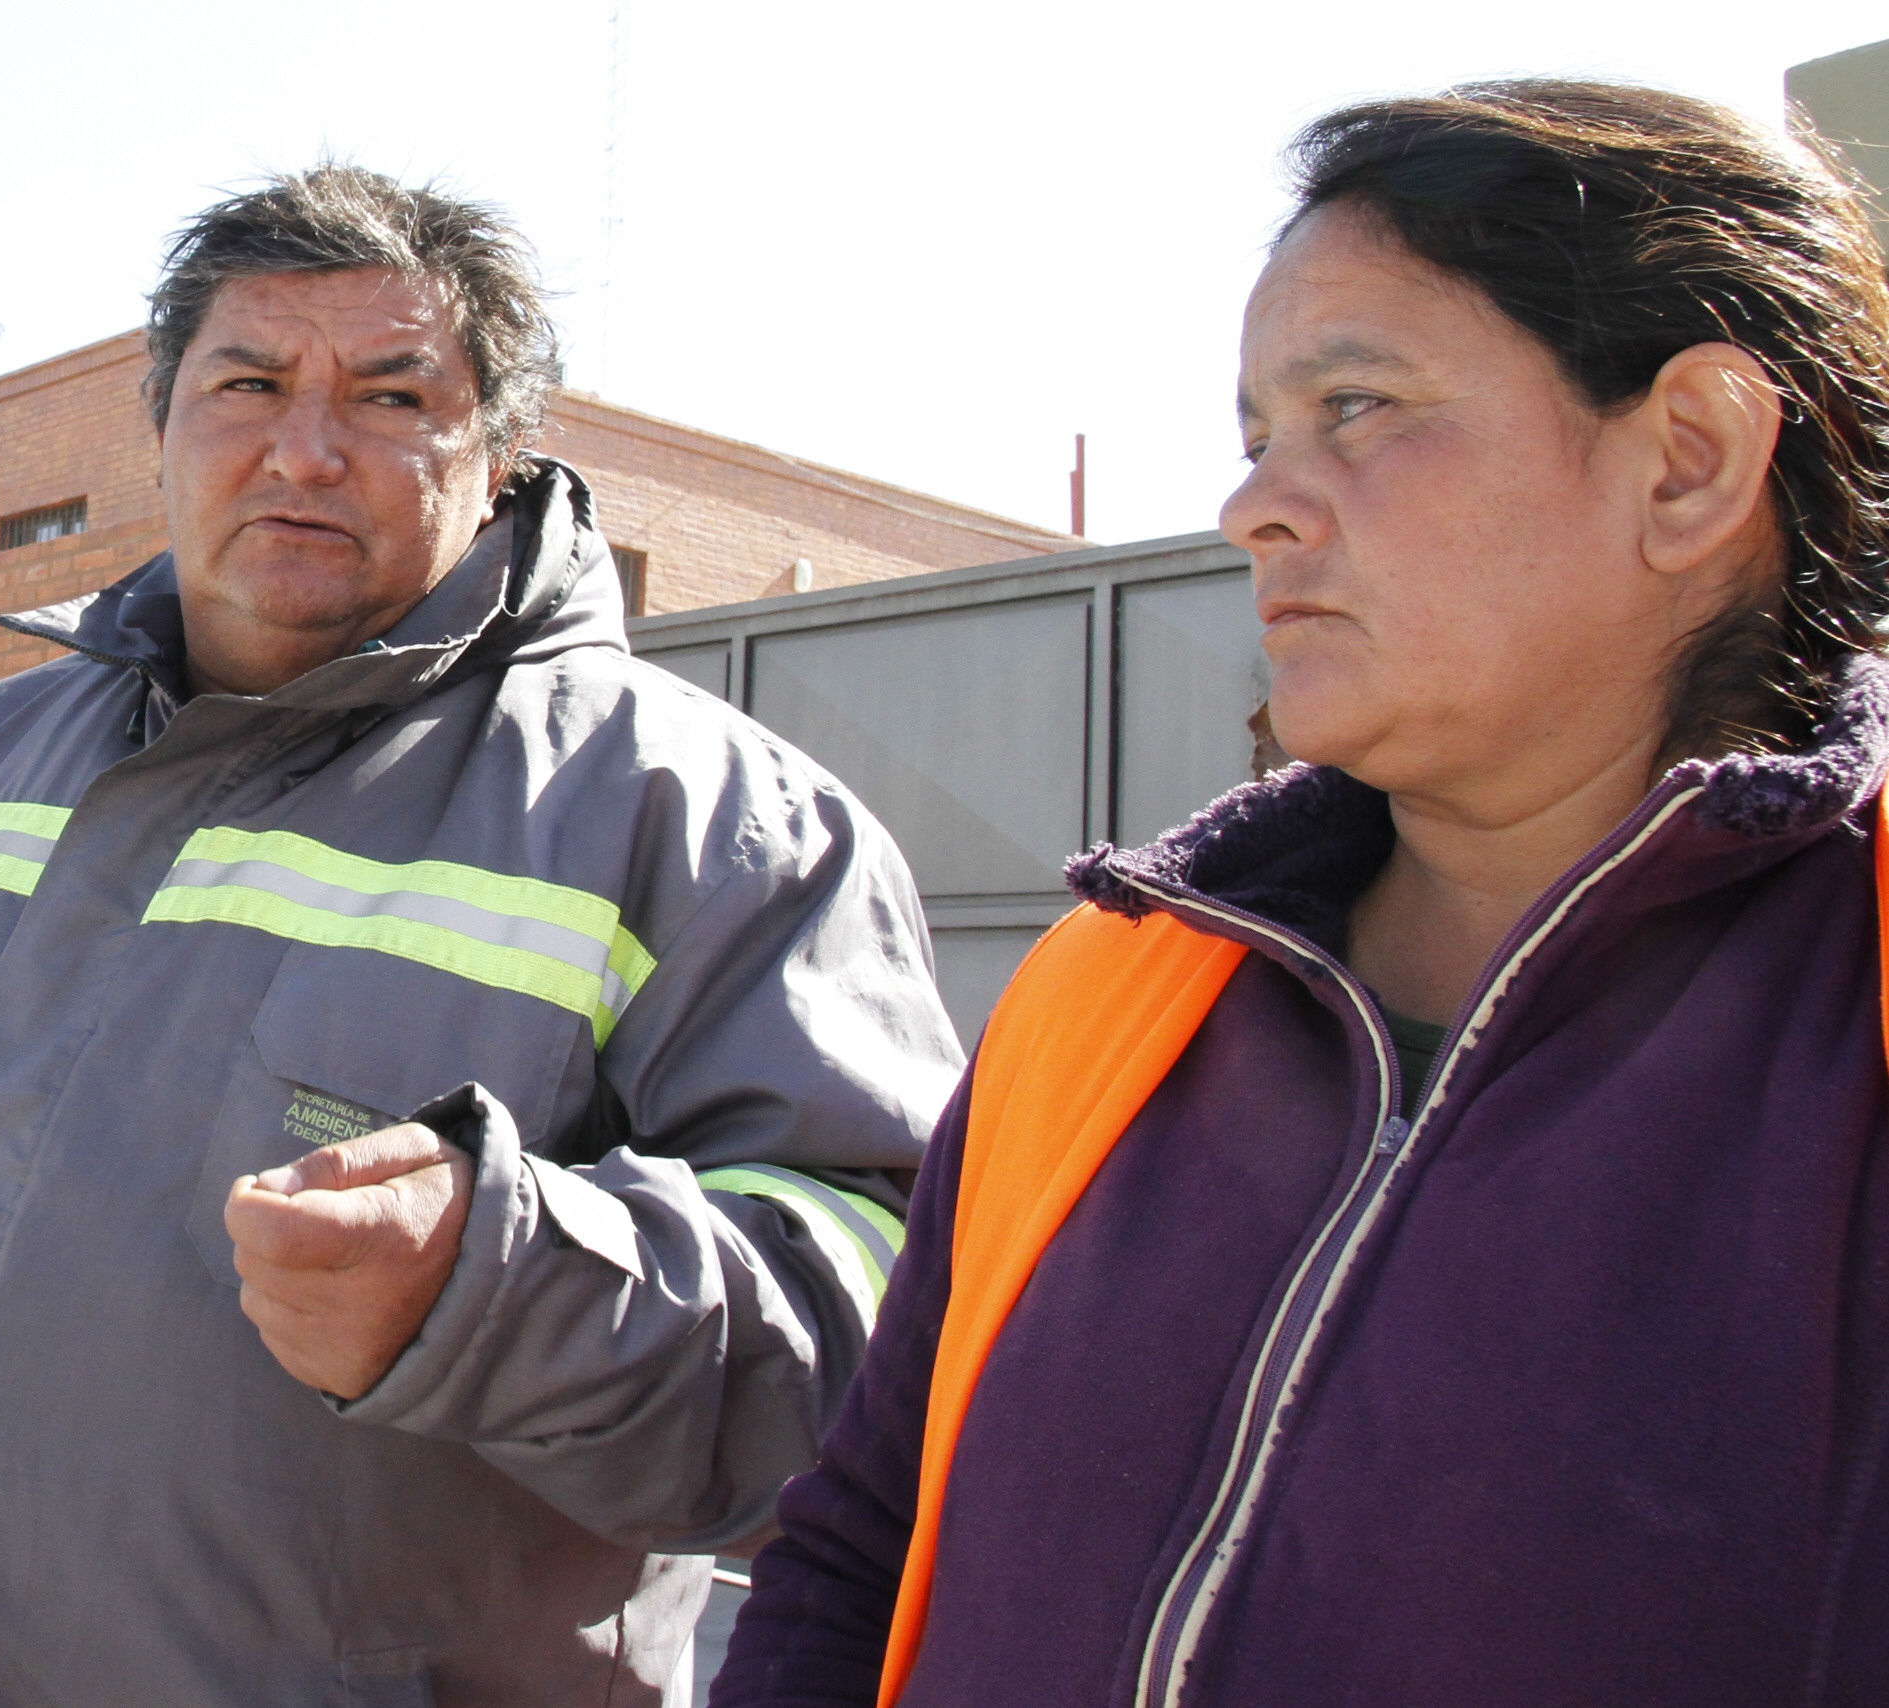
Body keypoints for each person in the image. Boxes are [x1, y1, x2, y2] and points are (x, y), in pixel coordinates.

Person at [0, 166, 965, 1708]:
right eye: (248, 383)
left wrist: (503, 1287)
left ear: (500, 456)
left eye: (393, 396)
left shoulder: (706, 822)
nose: (306, 448)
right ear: (162, 424)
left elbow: (880, 1333)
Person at [716, 81, 1889, 1707]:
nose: (1249, 505)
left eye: (1357, 404)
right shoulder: (1108, 989)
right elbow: (859, 1544)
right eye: (1256, 435)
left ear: (1687, 460)